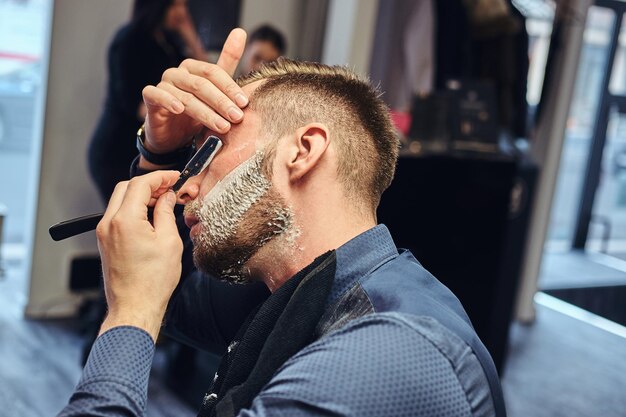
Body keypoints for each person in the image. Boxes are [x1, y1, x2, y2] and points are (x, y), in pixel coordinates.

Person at [59, 29, 506, 417]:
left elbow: (148, 306)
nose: (183, 187)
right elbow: (169, 300)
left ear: (302, 152)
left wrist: (129, 313)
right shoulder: (288, 290)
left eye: (210, 149)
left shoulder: (392, 355)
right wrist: (159, 153)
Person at [88, 0, 208, 204]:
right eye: (175, 6)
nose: (181, 13)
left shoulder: (170, 40)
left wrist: (190, 36)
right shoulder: (129, 39)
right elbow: (130, 101)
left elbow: (202, 78)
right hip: (118, 148)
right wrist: (174, 117)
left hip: (152, 150)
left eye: (184, 6)